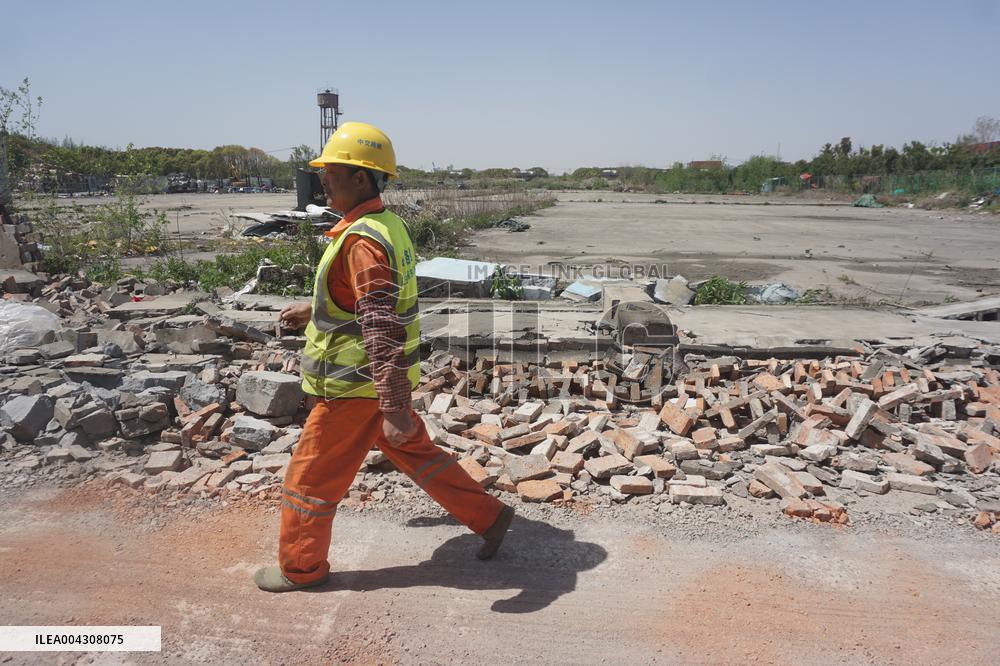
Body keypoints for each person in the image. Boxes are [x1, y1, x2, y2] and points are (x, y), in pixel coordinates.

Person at [254, 122, 514, 593]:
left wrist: (393, 406)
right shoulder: (384, 226)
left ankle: (301, 568)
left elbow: (380, 325)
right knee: (416, 454)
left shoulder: (362, 242)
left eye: (331, 172)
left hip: (354, 388)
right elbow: (368, 304)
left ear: (360, 178)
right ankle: (489, 515)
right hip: (375, 383)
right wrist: (314, 309)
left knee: (309, 480)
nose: (322, 181)